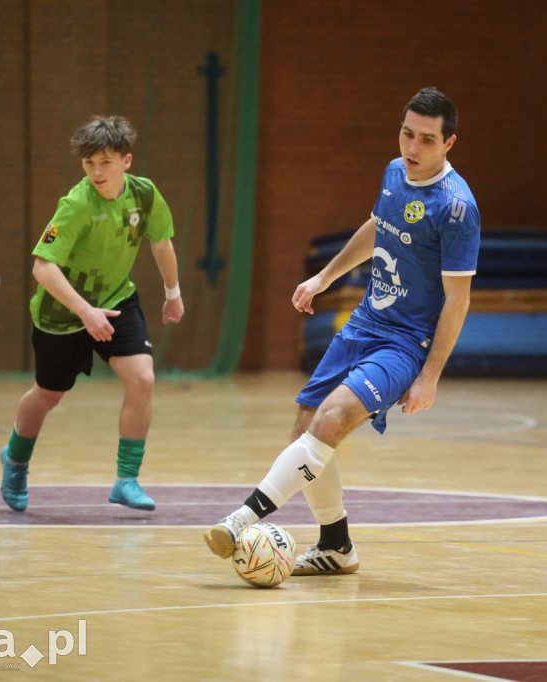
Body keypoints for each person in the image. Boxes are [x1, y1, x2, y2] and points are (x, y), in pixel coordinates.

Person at [204, 87, 480, 575]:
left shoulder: (457, 209)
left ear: (449, 144)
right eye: (406, 134)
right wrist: (324, 277)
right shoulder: (395, 173)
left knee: (329, 420)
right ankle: (336, 547)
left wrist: (430, 375)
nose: (412, 149)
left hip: (405, 342)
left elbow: (458, 300)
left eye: (427, 140)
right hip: (365, 322)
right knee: (305, 426)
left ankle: (240, 520)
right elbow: (377, 229)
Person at [0, 115, 184, 512]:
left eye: (105, 162)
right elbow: (42, 267)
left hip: (116, 299)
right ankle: (15, 459)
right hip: (63, 312)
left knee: (142, 379)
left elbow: (162, 244)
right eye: (89, 164)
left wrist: (173, 293)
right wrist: (84, 312)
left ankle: (126, 480)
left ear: (126, 161)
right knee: (48, 395)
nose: (96, 172)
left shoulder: (145, 195)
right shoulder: (76, 205)